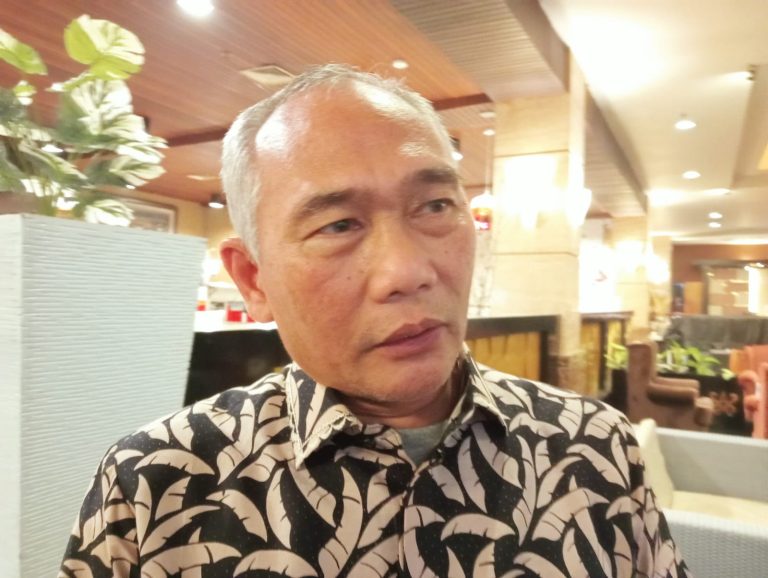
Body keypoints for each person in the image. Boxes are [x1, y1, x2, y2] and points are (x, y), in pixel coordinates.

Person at [60, 64, 690, 577]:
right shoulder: (156, 480)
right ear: (253, 279)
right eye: (339, 225)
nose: (406, 272)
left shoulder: (594, 446)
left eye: (434, 205)